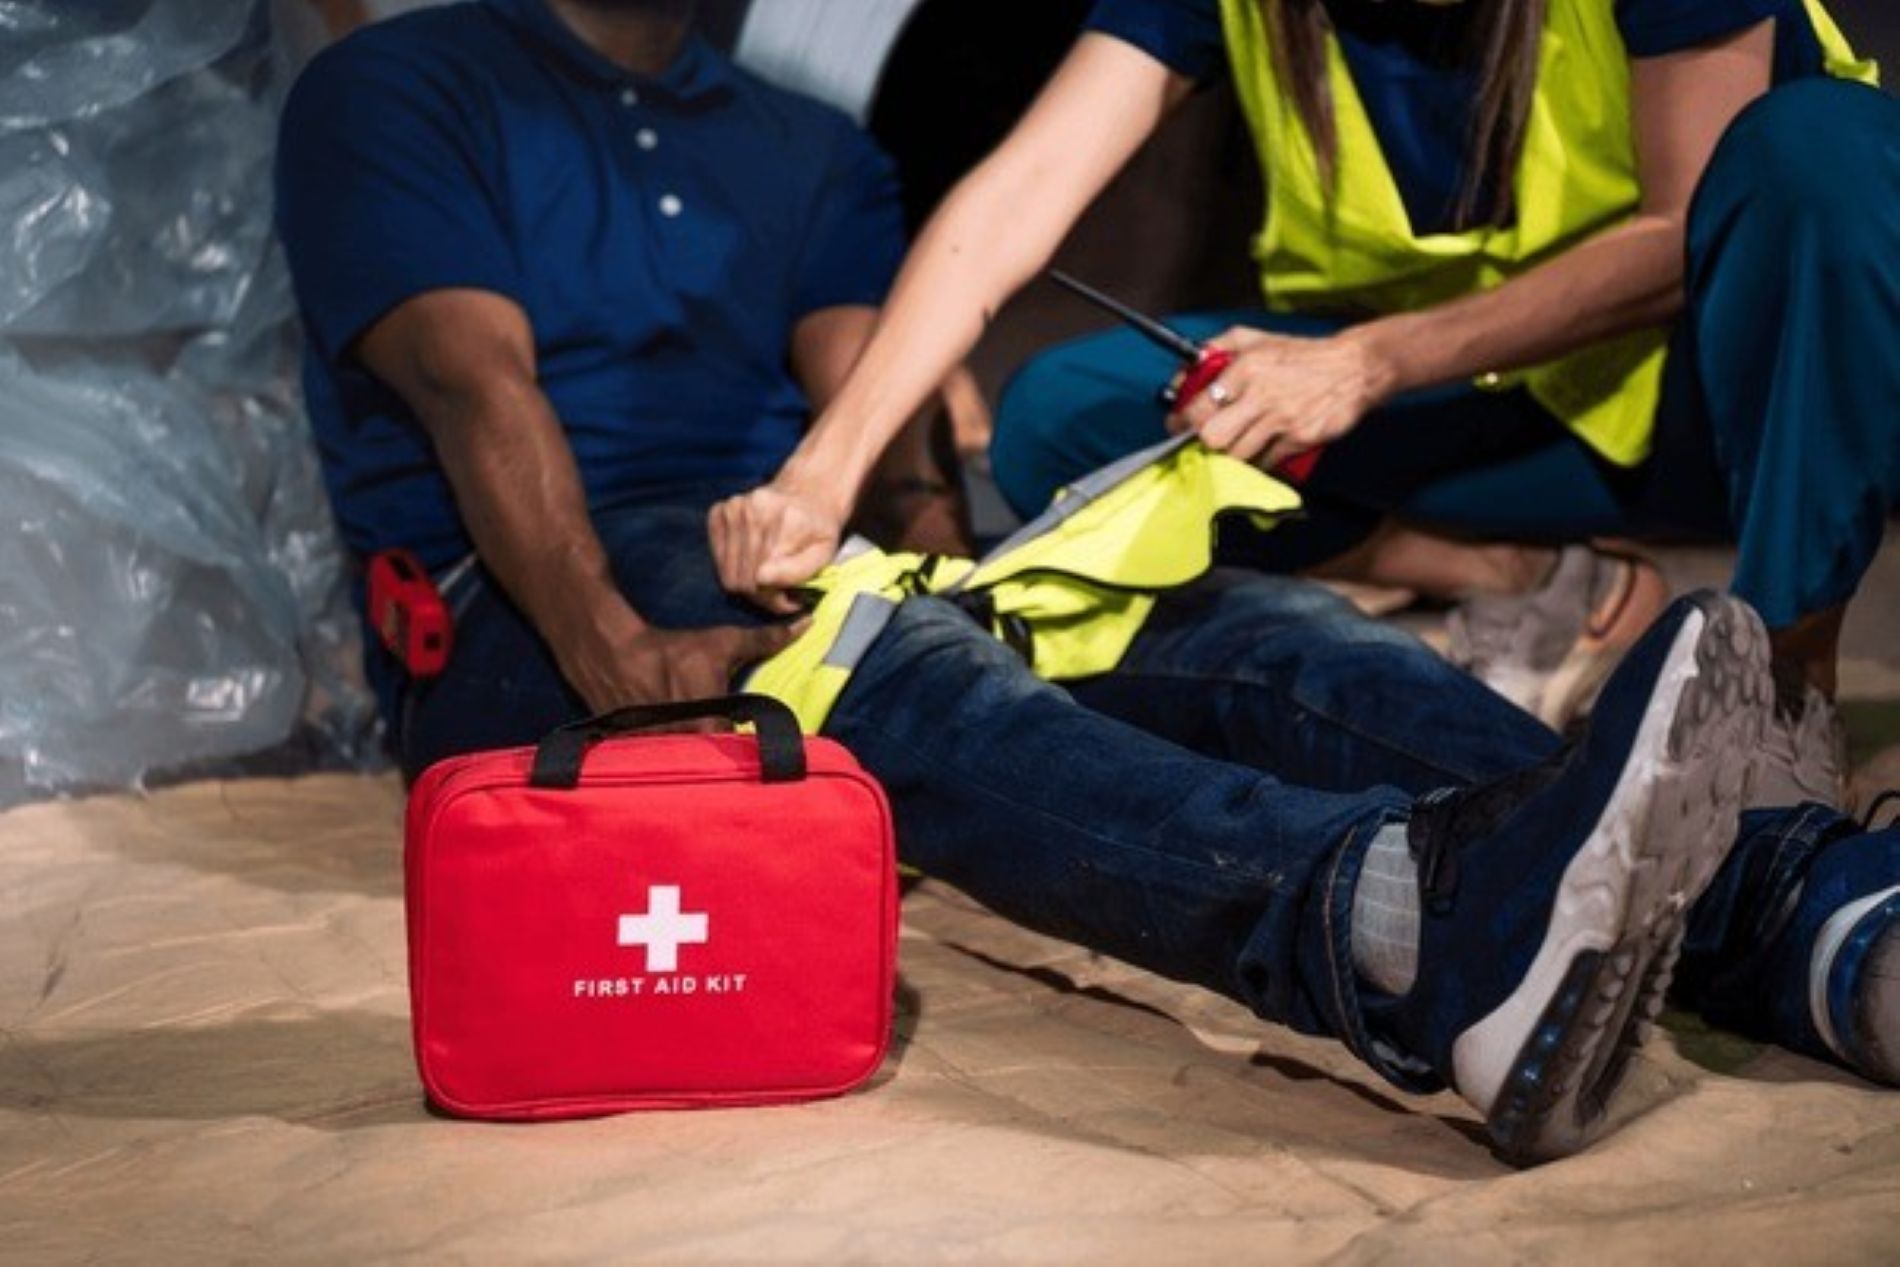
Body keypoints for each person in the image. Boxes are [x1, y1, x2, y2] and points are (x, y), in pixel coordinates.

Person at [277, 0, 1869, 1165]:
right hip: (556, 587)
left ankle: (1784, 898)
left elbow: (874, 403)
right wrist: (619, 645)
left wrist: (961, 552)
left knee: (1226, 620)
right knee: (900, 654)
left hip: (802, 556)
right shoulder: (400, 85)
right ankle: (1403, 931)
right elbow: (476, 385)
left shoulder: (808, 143)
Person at [708, 0, 1897, 807]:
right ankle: (1532, 580)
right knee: (1068, 414)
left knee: (1818, 147)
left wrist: (1371, 361)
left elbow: (1680, 232)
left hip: (1743, 408)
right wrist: (820, 473)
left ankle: (1782, 672)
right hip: (1503, 411)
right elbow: (1018, 193)